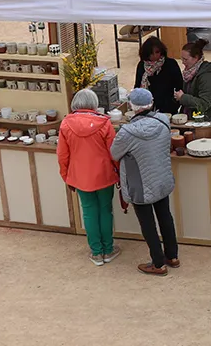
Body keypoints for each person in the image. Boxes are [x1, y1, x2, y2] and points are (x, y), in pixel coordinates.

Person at [110, 87, 177, 275]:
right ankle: (172, 255)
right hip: (162, 177)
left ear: (133, 107)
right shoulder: (163, 120)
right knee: (165, 217)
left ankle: (158, 263)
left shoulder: (127, 132)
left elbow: (114, 153)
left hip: (140, 183)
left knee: (147, 224)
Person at [57, 88, 119, 266]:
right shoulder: (105, 124)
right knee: (105, 211)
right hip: (104, 175)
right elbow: (114, 152)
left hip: (79, 177)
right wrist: (118, 172)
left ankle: (96, 253)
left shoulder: (66, 124)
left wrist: (66, 176)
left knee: (89, 212)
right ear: (94, 104)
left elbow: (62, 155)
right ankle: (108, 249)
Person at [174, 39, 211, 128]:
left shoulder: (207, 77)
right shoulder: (189, 74)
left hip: (208, 124)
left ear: (196, 58)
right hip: (195, 121)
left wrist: (183, 97)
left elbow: (204, 104)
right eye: (182, 58)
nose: (182, 62)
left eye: (185, 59)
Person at [133, 35, 183, 116]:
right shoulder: (142, 65)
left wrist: (174, 104)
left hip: (167, 109)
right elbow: (137, 86)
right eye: (151, 53)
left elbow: (179, 85)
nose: (155, 56)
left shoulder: (170, 64)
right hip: (146, 107)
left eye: (157, 52)